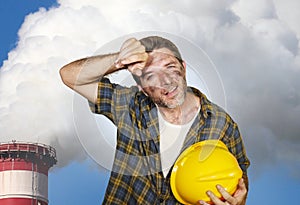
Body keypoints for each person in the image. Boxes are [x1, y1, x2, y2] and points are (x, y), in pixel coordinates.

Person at [60, 36, 250, 205]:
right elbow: (69, 75)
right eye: (151, 76)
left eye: (170, 67)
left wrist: (239, 201)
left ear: (183, 68)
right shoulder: (129, 105)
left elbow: (240, 175)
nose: (166, 81)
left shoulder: (221, 123)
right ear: (142, 87)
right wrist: (120, 60)